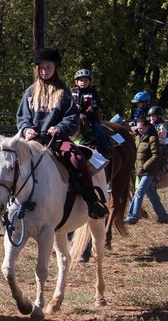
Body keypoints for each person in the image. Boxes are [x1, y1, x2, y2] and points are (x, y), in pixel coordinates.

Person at [16, 47, 108, 220]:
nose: (45, 71)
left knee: (78, 159)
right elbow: (22, 117)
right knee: (9, 162)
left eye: (48, 67)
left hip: (56, 140)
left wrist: (59, 128)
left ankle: (92, 201)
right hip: (32, 141)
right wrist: (26, 129)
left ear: (55, 68)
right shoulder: (29, 92)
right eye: (41, 67)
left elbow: (72, 117)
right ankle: (9, 204)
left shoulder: (63, 92)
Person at [127, 116, 168, 224]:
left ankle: (132, 217)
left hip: (149, 171)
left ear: (147, 127)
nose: (139, 130)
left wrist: (145, 166)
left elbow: (155, 155)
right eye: (138, 128)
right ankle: (163, 216)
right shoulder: (137, 138)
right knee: (152, 195)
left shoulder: (153, 138)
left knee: (139, 192)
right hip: (140, 171)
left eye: (141, 128)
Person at [71, 69, 111, 157]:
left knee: (97, 129)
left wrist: (85, 113)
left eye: (86, 80)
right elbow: (66, 103)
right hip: (73, 116)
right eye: (81, 80)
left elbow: (95, 105)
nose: (83, 82)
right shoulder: (71, 91)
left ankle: (105, 148)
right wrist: (74, 107)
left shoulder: (92, 93)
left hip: (90, 117)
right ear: (76, 81)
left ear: (90, 82)